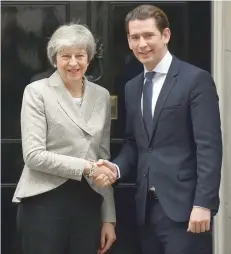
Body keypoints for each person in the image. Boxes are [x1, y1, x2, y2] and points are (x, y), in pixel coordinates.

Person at [98, 4, 222, 254]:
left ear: (165, 35)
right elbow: (135, 143)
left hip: (186, 211)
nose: (142, 44)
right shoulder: (132, 86)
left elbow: (209, 146)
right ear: (129, 41)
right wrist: (116, 168)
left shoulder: (195, 80)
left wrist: (203, 204)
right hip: (145, 211)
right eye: (135, 37)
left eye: (148, 35)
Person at [13, 23, 116, 254]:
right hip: (43, 202)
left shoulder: (101, 96)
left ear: (88, 59)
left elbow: (103, 157)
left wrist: (108, 218)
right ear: (54, 59)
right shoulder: (36, 91)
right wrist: (88, 168)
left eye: (79, 55)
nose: (73, 63)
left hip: (87, 204)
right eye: (65, 56)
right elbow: (33, 156)